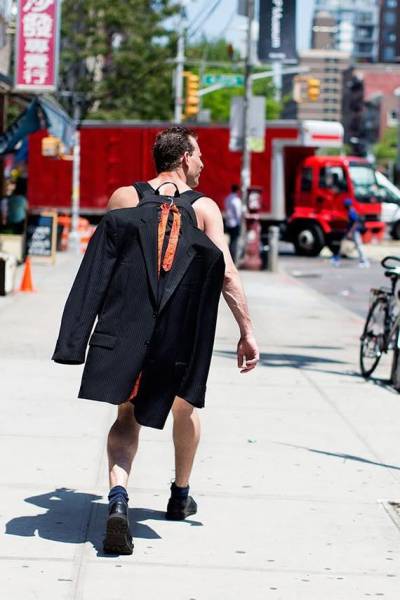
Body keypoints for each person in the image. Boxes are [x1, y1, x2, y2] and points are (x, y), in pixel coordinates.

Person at [53, 126, 259, 555]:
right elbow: (226, 273)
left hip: (126, 328)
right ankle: (180, 494)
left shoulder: (123, 198)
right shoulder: (204, 208)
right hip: (178, 336)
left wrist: (78, 336)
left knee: (126, 414)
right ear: (184, 157)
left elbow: (99, 268)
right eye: (199, 155)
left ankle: (118, 497)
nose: (203, 162)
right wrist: (246, 331)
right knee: (185, 408)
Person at [224, 183, 242, 262]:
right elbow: (238, 213)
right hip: (235, 223)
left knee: (230, 240)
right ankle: (233, 259)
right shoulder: (236, 200)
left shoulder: (228, 198)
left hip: (228, 222)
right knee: (234, 241)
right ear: (237, 190)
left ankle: (229, 256)